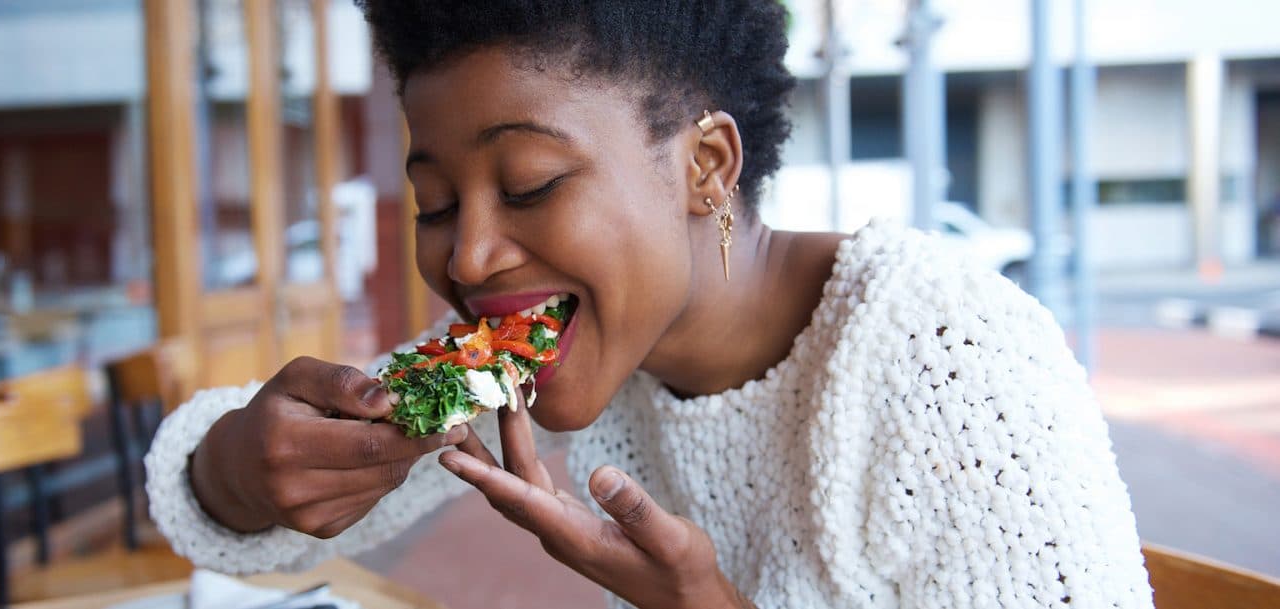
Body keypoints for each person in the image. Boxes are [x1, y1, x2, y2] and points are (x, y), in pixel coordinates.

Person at [145, 2, 1154, 607]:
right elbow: (243, 523)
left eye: (531, 182)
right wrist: (245, 466)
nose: (470, 252)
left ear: (705, 166)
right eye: (437, 203)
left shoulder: (950, 358)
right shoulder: (560, 339)